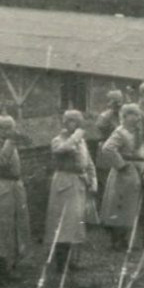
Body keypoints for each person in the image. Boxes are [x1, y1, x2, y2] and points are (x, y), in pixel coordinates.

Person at [0, 115, 32, 283]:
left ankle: (9, 267)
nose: (11, 131)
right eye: (6, 128)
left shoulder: (10, 143)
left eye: (11, 127)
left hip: (14, 188)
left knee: (14, 227)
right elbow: (0, 162)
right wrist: (11, 143)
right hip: (0, 189)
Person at [46, 110, 94, 270]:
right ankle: (61, 262)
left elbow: (88, 161)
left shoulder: (81, 142)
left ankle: (71, 261)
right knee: (64, 223)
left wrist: (92, 179)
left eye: (77, 121)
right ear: (64, 123)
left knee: (76, 222)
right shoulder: (58, 140)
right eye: (70, 121)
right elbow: (61, 150)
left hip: (78, 182)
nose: (74, 124)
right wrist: (75, 137)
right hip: (64, 182)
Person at [98, 104, 144, 250]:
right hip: (123, 173)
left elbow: (141, 152)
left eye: (138, 115)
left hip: (136, 171)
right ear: (125, 117)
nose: (137, 118)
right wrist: (121, 164)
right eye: (134, 115)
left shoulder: (137, 132)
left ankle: (125, 238)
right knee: (119, 205)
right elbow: (107, 148)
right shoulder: (120, 132)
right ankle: (116, 240)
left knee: (130, 206)